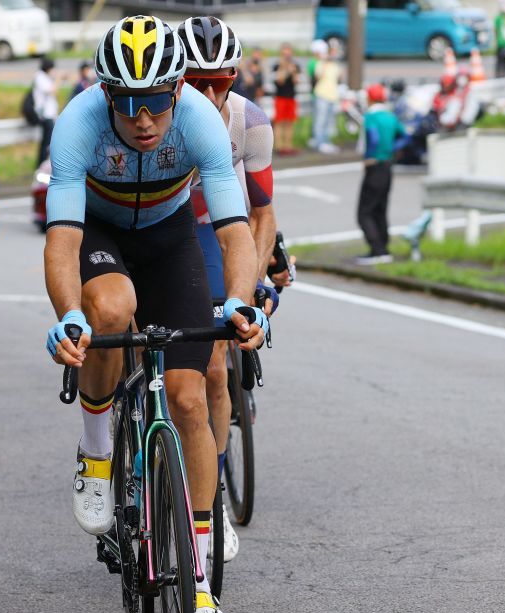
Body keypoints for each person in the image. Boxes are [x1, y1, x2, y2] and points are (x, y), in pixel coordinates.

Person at [44, 15, 267, 613]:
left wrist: (240, 304)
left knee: (193, 397)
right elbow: (62, 239)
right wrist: (68, 315)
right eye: (130, 104)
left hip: (171, 238)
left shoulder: (197, 119)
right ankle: (95, 454)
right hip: (103, 233)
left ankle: (198, 587)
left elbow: (232, 230)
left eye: (157, 102)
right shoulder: (77, 124)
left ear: (177, 92)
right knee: (110, 310)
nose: (145, 120)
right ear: (107, 95)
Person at [178, 15, 286, 569]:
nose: (209, 93)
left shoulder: (250, 120)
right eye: (195, 83)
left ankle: (210, 494)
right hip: (172, 234)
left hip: (225, 231)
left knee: (215, 366)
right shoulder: (161, 115)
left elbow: (262, 213)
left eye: (219, 80)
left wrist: (258, 279)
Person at [356, 84, 404, 265]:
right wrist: (391, 149)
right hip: (388, 165)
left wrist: (371, 156)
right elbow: (404, 136)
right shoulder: (390, 116)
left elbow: (373, 138)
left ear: (369, 98)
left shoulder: (371, 117)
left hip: (375, 165)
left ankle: (376, 249)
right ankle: (384, 248)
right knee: (381, 209)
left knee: (365, 212)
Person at [310, 38, 342, 153]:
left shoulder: (336, 64)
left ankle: (326, 141)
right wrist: (326, 61)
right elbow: (318, 76)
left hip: (332, 96)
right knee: (320, 120)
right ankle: (320, 142)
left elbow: (338, 78)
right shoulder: (321, 62)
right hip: (322, 94)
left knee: (329, 121)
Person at [271, 42, 300, 155]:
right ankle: (279, 147)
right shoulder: (277, 66)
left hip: (291, 97)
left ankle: (288, 146)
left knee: (289, 122)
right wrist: (284, 67)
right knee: (279, 122)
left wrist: (293, 71)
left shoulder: (295, 66)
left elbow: (296, 81)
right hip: (280, 97)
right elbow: (280, 80)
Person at [32, 57, 61, 167]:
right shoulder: (40, 77)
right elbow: (52, 90)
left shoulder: (44, 77)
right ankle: (41, 165)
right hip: (45, 115)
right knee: (47, 142)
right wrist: (58, 79)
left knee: (47, 141)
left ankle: (42, 164)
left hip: (49, 115)